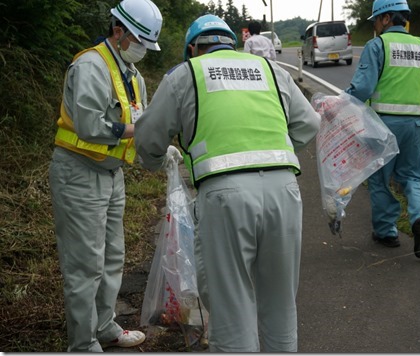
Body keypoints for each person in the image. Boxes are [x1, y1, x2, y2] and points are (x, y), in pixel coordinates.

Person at [134, 14, 320, 352]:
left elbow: (148, 137)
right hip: (284, 190)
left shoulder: (186, 74)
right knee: (280, 302)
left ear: (193, 48)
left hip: (225, 195)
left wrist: (155, 162)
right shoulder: (270, 71)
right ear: (230, 43)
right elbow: (308, 124)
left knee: (232, 304)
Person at [48, 0, 162, 351]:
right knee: (85, 265)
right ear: (119, 31)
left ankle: (105, 326)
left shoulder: (133, 75)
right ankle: (82, 344)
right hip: (79, 173)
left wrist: (159, 152)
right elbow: (88, 125)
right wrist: (140, 130)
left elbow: (139, 124)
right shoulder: (90, 66)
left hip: (112, 176)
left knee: (112, 256)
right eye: (140, 41)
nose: (143, 50)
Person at [345, 0, 420, 258]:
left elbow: (362, 88)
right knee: (414, 176)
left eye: (376, 21)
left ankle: (386, 231)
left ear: (386, 18)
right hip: (413, 126)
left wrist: (340, 105)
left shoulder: (378, 46)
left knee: (380, 180)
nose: (376, 28)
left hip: (381, 126)